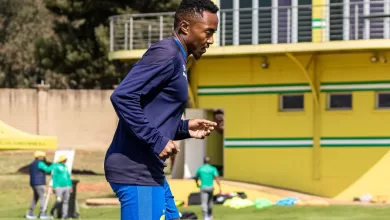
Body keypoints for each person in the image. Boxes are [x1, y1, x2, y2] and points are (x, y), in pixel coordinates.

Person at [104, 0, 219, 219]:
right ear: (185, 27)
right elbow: (122, 97)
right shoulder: (166, 52)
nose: (211, 40)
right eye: (208, 32)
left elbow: (153, 116)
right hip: (136, 171)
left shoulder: (178, 59)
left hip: (151, 171)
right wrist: (157, 140)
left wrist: (184, 128)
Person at [25, 151, 51, 219]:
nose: (43, 157)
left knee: (35, 198)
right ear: (38, 157)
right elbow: (48, 169)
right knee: (43, 198)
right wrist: (54, 166)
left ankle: (30, 213)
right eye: (42, 156)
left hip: (33, 183)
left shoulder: (33, 163)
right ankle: (43, 213)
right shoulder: (40, 163)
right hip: (39, 183)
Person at [48, 155, 73, 219]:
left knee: (66, 201)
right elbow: (54, 177)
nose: (65, 161)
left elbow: (68, 177)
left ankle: (64, 216)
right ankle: (52, 211)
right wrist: (54, 186)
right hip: (59, 186)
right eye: (65, 159)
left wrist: (70, 186)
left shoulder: (65, 167)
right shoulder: (56, 166)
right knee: (59, 200)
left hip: (66, 186)